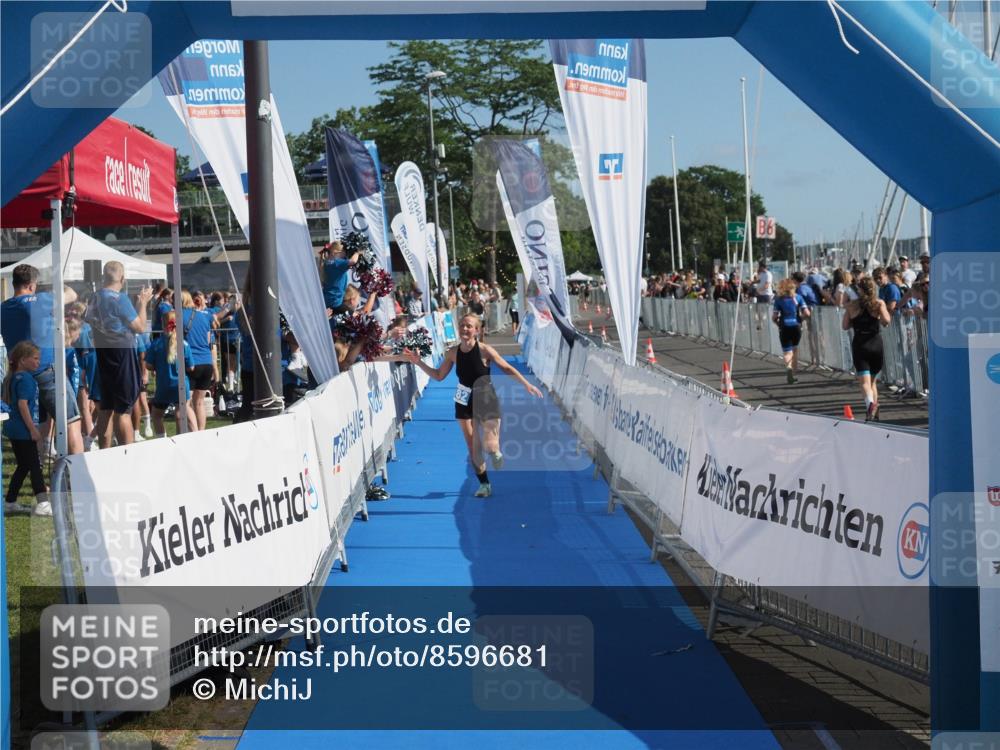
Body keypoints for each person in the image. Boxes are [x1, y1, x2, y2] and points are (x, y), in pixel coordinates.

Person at [405, 313, 543, 498]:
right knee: (472, 447)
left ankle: (495, 451)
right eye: (462, 325)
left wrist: (527, 384)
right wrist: (418, 362)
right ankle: (484, 484)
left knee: (490, 445)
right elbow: (439, 375)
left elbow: (507, 368)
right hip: (463, 400)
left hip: (486, 398)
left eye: (469, 326)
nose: (464, 329)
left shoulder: (485, 350)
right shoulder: (452, 353)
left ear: (476, 330)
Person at [0, 265, 84, 454]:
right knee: (71, 423)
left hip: (19, 375)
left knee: (36, 425)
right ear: (31, 285)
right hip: (47, 371)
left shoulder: (3, 308)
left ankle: (38, 474)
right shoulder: (39, 301)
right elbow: (71, 294)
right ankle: (77, 479)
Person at [86, 261, 153, 448]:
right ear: (122, 279)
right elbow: (139, 327)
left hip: (102, 354)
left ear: (103, 278)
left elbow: (88, 321)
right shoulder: (119, 299)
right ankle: (126, 456)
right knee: (123, 410)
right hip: (122, 355)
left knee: (106, 409)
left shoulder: (94, 297)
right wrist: (143, 303)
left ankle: (104, 454)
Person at [3, 342, 49, 515]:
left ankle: (10, 501)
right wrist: (33, 429)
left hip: (13, 429)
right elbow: (23, 405)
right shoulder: (27, 379)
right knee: (34, 465)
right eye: (35, 358)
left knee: (23, 466)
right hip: (23, 430)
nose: (38, 362)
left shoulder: (13, 377)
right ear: (23, 360)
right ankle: (43, 503)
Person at [842, 276, 891, 422]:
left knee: (864, 382)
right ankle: (874, 414)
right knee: (872, 382)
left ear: (859, 290)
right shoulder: (878, 303)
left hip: (860, 344)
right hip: (876, 343)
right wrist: (879, 318)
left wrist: (855, 322)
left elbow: (844, 326)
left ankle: (870, 405)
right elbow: (886, 321)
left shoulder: (851, 306)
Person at [145, 311, 196, 437]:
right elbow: (191, 367)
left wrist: (158, 366)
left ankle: (162, 439)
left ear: (163, 325)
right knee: (182, 412)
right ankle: (189, 437)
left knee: (157, 415)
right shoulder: (184, 344)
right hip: (181, 384)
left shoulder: (156, 344)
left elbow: (148, 365)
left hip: (164, 385)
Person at [772, 278, 811, 384]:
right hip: (796, 326)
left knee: (787, 351)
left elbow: (774, 317)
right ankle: (794, 372)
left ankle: (789, 369)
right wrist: (800, 319)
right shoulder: (798, 298)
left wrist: (778, 324)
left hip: (784, 326)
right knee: (794, 349)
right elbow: (807, 313)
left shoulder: (779, 299)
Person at [320, 241, 360, 316]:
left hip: (330, 300)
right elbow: (353, 261)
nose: (345, 257)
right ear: (335, 252)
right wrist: (357, 252)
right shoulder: (336, 262)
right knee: (356, 316)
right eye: (344, 254)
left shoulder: (328, 263)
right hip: (335, 302)